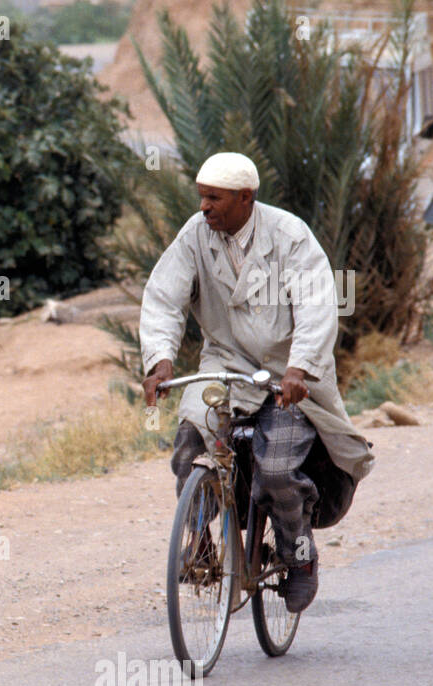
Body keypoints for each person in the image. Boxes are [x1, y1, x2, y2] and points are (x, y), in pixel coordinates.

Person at [139, 152, 375, 612]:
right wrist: (160, 360)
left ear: (245, 198)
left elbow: (316, 307)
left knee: (278, 471)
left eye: (214, 199)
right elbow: (164, 297)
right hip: (224, 367)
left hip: (287, 377)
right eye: (201, 197)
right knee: (189, 448)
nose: (204, 207)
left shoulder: (289, 237)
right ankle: (202, 542)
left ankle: (298, 557)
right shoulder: (195, 235)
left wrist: (299, 369)